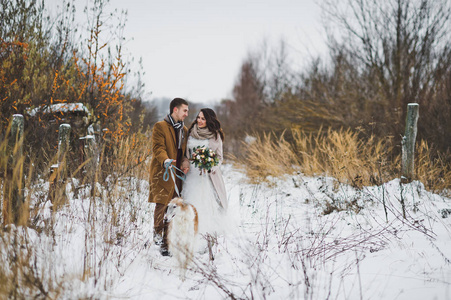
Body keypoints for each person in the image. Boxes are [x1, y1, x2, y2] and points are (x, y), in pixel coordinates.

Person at [148, 98, 189, 256]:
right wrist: (165, 160)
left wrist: (185, 164)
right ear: (175, 110)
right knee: (162, 204)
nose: (186, 113)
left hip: (177, 174)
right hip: (163, 172)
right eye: (184, 110)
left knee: (173, 207)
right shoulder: (160, 126)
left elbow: (184, 153)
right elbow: (158, 147)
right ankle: (158, 236)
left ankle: (168, 241)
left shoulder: (184, 130)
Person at [182, 108, 228, 241]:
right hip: (191, 176)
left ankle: (206, 236)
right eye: (198, 117)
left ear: (209, 120)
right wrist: (185, 163)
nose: (199, 121)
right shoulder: (190, 133)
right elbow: (185, 155)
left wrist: (210, 166)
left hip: (208, 177)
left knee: (206, 206)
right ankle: (190, 236)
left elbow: (219, 158)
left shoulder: (215, 135)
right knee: (190, 205)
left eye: (203, 118)